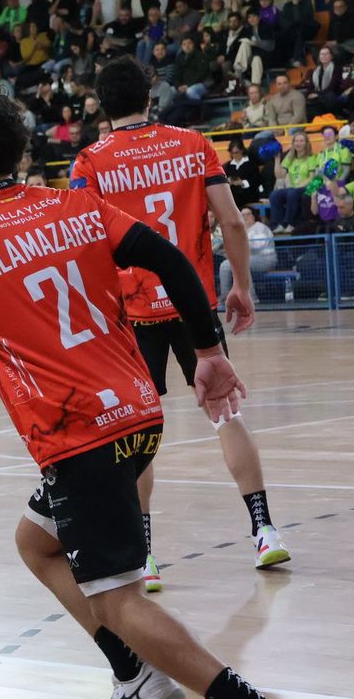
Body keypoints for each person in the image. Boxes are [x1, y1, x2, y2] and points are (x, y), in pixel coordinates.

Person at [0, 88, 314, 699]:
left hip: (76, 434)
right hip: (137, 414)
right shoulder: (75, 207)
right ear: (25, 150)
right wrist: (209, 350)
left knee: (119, 599)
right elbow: (173, 258)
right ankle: (135, 677)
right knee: (35, 542)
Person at [73, 59, 292, 589]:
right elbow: (233, 220)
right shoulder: (194, 144)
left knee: (137, 434)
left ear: (101, 103)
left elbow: (83, 242)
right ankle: (265, 532)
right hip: (192, 304)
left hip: (131, 314)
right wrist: (240, 285)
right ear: (151, 94)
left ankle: (144, 555)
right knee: (225, 411)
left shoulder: (91, 160)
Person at [220, 207, 275, 299]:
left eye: (247, 214)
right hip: (249, 259)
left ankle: (251, 298)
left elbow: (258, 246)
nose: (245, 217)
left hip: (265, 259)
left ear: (253, 216)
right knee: (225, 265)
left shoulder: (260, 227)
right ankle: (224, 297)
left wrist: (238, 246)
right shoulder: (241, 229)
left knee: (241, 264)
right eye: (242, 215)